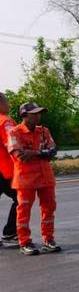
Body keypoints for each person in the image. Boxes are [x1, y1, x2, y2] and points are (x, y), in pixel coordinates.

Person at [7, 103, 60, 255]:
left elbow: (53, 150)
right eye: (34, 114)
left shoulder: (44, 130)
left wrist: (34, 153)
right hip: (25, 179)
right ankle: (24, 242)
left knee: (49, 209)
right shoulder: (14, 132)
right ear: (24, 115)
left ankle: (48, 240)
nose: (38, 116)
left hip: (45, 177)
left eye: (39, 113)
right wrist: (42, 152)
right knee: (24, 211)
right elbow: (20, 156)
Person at [0, 93, 18, 248]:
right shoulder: (5, 122)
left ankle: (10, 232)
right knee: (20, 198)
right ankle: (11, 231)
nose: (9, 105)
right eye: (6, 102)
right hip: (4, 169)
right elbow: (12, 144)